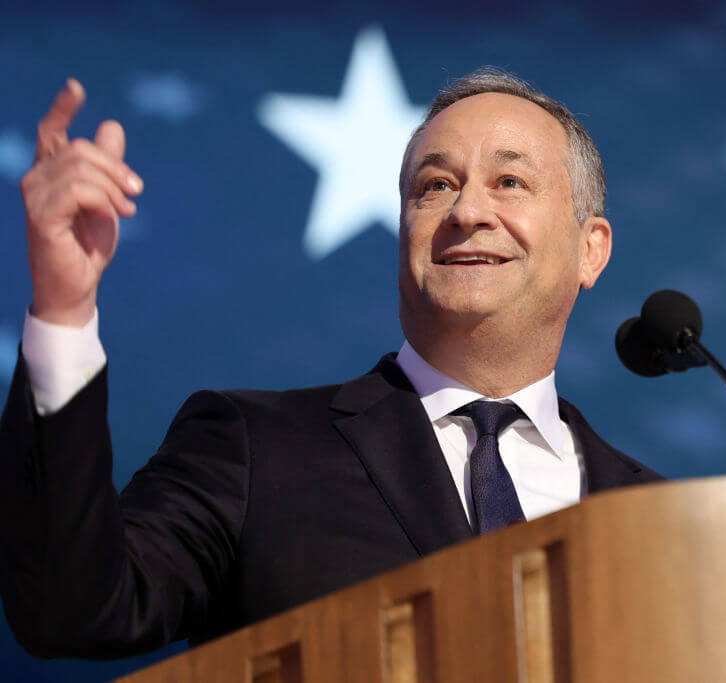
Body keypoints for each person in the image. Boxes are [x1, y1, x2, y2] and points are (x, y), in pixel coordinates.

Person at [0, 69, 662, 659]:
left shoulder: (659, 517)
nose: (466, 211)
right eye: (435, 185)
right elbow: (70, 611)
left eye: (510, 181)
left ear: (590, 249)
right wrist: (63, 308)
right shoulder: (253, 448)